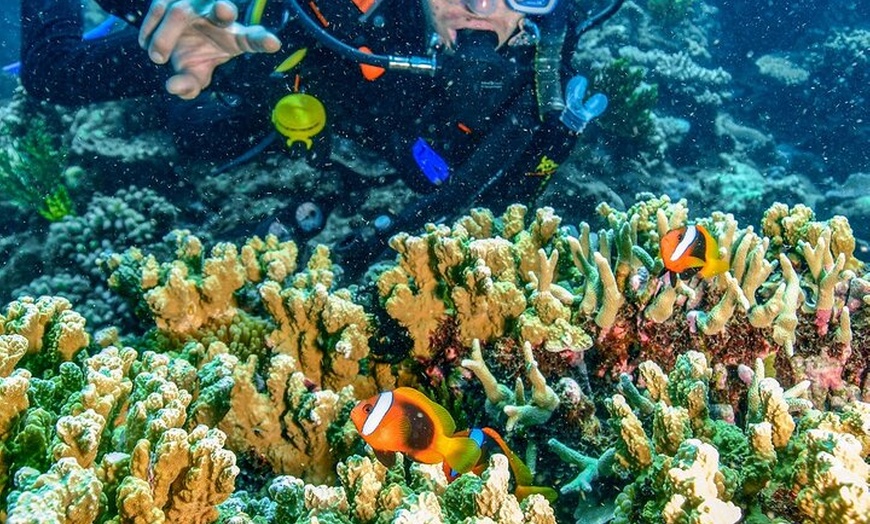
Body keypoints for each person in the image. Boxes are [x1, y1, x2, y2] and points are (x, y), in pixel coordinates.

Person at [20, 0, 622, 276]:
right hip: (284, 63)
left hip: (359, 122)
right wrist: (228, 28)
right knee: (60, 78)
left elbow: (489, 197)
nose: (480, 4)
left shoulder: (544, 76)